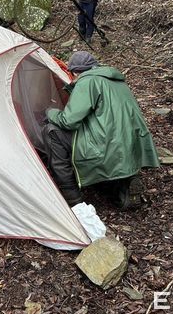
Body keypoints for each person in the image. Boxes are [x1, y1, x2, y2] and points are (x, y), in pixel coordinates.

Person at [42, 51, 159, 209]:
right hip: (130, 145)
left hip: (107, 145)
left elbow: (68, 121)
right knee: (99, 138)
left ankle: (73, 200)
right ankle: (123, 188)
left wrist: (50, 112)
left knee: (51, 132)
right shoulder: (116, 81)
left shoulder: (87, 82)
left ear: (75, 72)